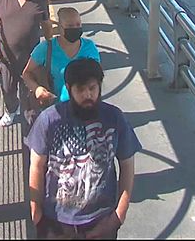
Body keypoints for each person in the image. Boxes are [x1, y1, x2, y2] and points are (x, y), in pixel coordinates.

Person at [26, 59, 141, 239]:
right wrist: (37, 214)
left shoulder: (115, 118)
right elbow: (36, 166)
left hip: (101, 220)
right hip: (56, 222)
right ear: (68, 88)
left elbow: (127, 164)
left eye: (92, 88)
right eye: (80, 90)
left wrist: (119, 215)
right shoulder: (48, 120)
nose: (88, 95)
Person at [22, 7, 100, 104]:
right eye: (70, 26)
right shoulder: (46, 48)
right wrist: (37, 89)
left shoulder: (90, 47)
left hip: (84, 106)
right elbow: (26, 73)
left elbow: (97, 77)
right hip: (56, 107)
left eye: (78, 24)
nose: (75, 28)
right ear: (60, 27)